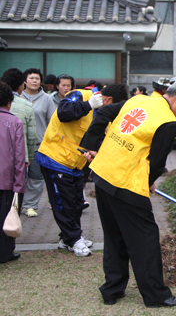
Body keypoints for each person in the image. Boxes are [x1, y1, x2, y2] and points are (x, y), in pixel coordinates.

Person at [81, 79, 176, 308]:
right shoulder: (168, 122)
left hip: (103, 174)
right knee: (145, 238)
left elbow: (103, 112)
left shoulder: (138, 99)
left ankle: (112, 289)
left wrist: (92, 145)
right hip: (127, 184)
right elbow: (156, 163)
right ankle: (156, 295)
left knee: (114, 235)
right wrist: (149, 181)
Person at [36, 83, 129, 257]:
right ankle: (74, 239)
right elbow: (63, 113)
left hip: (76, 163)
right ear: (108, 100)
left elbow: (99, 138)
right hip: (56, 158)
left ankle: (68, 238)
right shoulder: (80, 95)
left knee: (77, 202)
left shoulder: (103, 113)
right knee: (63, 203)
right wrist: (88, 106)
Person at [21, 68, 57, 218]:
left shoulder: (47, 99)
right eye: (31, 78)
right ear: (25, 81)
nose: (34, 81)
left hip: (39, 143)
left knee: (36, 177)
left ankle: (30, 205)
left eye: (37, 78)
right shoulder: (17, 97)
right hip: (20, 144)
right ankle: (16, 204)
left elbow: (51, 122)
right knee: (19, 177)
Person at [0, 81, 26, 263]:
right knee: (6, 217)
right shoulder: (14, 122)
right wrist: (19, 183)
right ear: (9, 102)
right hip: (7, 179)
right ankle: (5, 253)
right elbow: (19, 156)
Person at [1, 69, 38, 176]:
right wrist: (29, 156)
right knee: (18, 188)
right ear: (21, 85)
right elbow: (32, 136)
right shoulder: (26, 106)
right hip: (20, 157)